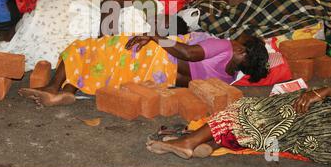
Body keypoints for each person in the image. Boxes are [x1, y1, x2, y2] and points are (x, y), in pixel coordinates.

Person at [18, 32, 269, 107]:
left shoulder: (225, 46)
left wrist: (155, 37)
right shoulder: (229, 76)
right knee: (104, 63)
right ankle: (69, 89)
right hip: (161, 77)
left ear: (242, 52)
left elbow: (188, 53)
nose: (235, 38)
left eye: (240, 40)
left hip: (157, 57)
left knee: (88, 47)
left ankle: (53, 87)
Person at [0, 0, 188, 71]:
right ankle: (12, 35)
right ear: (165, 15)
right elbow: (111, 1)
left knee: (51, 53)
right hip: (85, 12)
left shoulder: (149, 35)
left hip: (85, 32)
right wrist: (105, 36)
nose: (161, 25)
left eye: (165, 29)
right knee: (44, 24)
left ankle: (12, 38)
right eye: (165, 22)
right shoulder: (150, 5)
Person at [145, 87, 331, 167]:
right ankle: (211, 143)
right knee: (278, 134)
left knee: (255, 111)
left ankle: (189, 141)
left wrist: (326, 90)